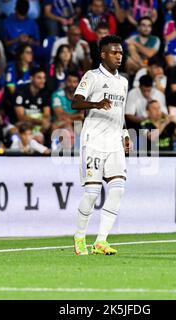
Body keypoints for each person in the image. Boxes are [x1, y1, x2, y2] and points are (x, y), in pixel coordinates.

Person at [71, 35, 130, 255]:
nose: (119, 56)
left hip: (114, 142)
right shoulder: (92, 76)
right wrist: (96, 103)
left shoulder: (123, 82)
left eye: (121, 52)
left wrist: (124, 133)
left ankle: (101, 241)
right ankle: (79, 237)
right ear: (103, 54)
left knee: (118, 190)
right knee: (92, 193)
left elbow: (120, 111)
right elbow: (75, 101)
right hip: (94, 141)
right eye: (114, 52)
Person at [13, 67, 51, 145]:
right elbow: (21, 117)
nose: (42, 81)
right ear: (31, 78)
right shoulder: (21, 92)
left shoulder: (45, 92)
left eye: (44, 78)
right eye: (39, 78)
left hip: (38, 127)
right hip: (22, 125)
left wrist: (45, 122)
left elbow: (47, 114)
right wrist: (40, 122)